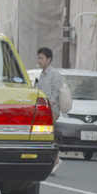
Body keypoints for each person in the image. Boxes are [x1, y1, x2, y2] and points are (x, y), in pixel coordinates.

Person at [36, 47, 63, 175]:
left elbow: (57, 91)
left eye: (42, 58)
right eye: (39, 58)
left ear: (49, 59)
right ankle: (52, 161)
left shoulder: (54, 74)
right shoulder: (42, 74)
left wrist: (50, 103)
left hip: (52, 110)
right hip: (43, 110)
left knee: (47, 135)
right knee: (44, 135)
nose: (39, 61)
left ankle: (56, 160)